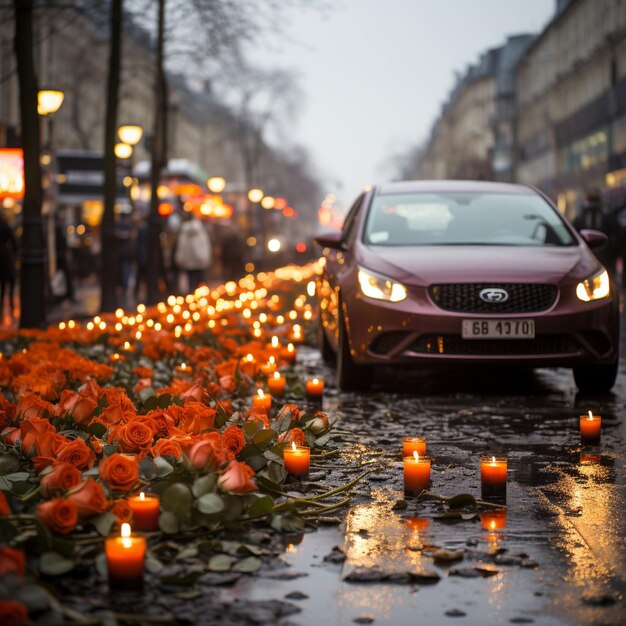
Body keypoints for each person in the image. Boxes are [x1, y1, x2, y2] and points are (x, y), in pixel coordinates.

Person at [573, 188, 619, 275]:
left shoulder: (581, 216)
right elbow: (616, 234)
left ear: (587, 199)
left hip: (587, 257)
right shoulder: (607, 214)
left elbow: (574, 234)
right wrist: (614, 252)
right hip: (606, 256)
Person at [174, 212, 212, 292]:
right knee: (201, 282)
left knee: (191, 283)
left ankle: (192, 297)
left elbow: (181, 246)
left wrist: (180, 259)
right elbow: (205, 244)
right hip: (200, 260)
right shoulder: (200, 230)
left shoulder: (184, 232)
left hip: (188, 262)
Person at [54, 213, 75, 302]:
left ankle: (67, 294)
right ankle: (65, 295)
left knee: (65, 275)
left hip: (61, 256)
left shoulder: (59, 229)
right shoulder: (57, 230)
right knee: (64, 275)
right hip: (60, 256)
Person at [0, 213, 17, 320]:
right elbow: (13, 241)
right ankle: (10, 303)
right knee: (9, 280)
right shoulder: (4, 224)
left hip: (4, 255)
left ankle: (2, 303)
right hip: (5, 256)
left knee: (4, 282)